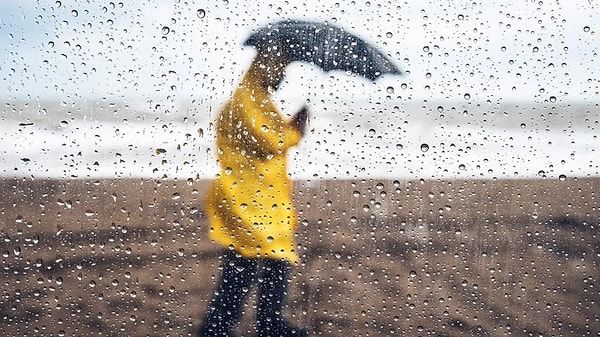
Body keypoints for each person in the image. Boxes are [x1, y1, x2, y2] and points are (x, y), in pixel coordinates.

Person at [198, 43, 309, 337]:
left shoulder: (257, 100)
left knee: (266, 262)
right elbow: (268, 141)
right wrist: (296, 129)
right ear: (267, 67)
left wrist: (289, 128)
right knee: (255, 264)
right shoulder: (245, 100)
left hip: (261, 200)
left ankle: (267, 323)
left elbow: (267, 136)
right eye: (280, 68)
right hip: (245, 201)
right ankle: (238, 327)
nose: (282, 76)